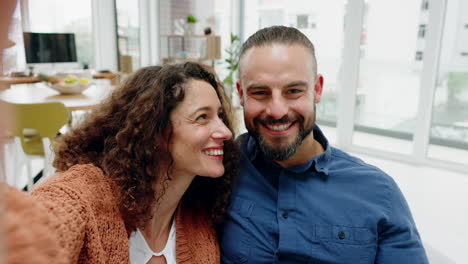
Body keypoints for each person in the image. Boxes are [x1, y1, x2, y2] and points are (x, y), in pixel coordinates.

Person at [219, 26, 429, 263]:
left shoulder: (379, 192)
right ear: (241, 93)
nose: (277, 111)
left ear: (317, 90)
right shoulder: (220, 168)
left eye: (294, 91)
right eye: (260, 92)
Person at [3, 62, 239, 264]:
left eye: (219, 115)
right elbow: (43, 226)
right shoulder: (84, 196)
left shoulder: (199, 221)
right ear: (154, 130)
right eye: (202, 117)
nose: (226, 131)